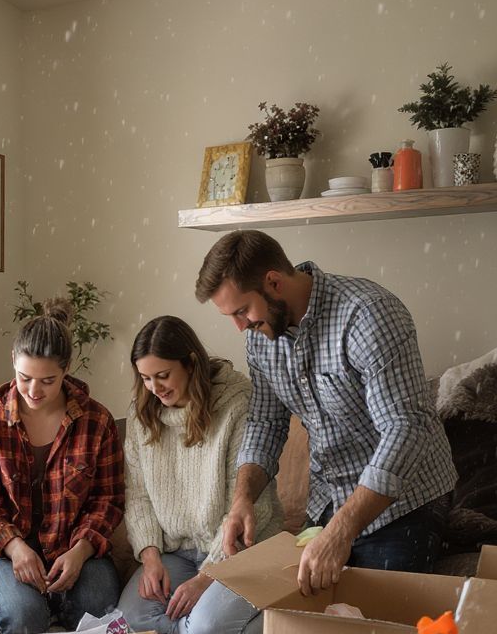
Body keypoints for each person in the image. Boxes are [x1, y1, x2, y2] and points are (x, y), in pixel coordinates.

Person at [194, 230, 457, 596]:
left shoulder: (368, 314)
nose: (240, 327)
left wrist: (341, 532)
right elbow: (265, 424)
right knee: (297, 614)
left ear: (274, 282)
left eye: (242, 311)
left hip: (405, 503)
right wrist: (242, 501)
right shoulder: (261, 336)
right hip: (328, 502)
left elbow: (405, 429)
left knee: (369, 623)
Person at [117, 315, 284, 634]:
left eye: (163, 376)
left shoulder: (238, 402)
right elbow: (137, 495)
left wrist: (206, 578)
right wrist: (150, 558)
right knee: (128, 620)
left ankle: (273, 613)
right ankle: (193, 633)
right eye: (146, 378)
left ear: (191, 363)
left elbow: (251, 505)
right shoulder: (141, 414)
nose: (155, 388)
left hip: (238, 552)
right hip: (175, 552)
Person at [0, 298, 125, 634]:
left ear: (67, 369)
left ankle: (52, 601)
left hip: (73, 545)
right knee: (23, 620)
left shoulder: (97, 421)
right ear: (12, 362)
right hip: (2, 550)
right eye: (24, 378)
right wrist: (15, 547)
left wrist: (81, 551)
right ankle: (33, 604)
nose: (34, 391)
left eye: (48, 381)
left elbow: (107, 500)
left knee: (98, 610)